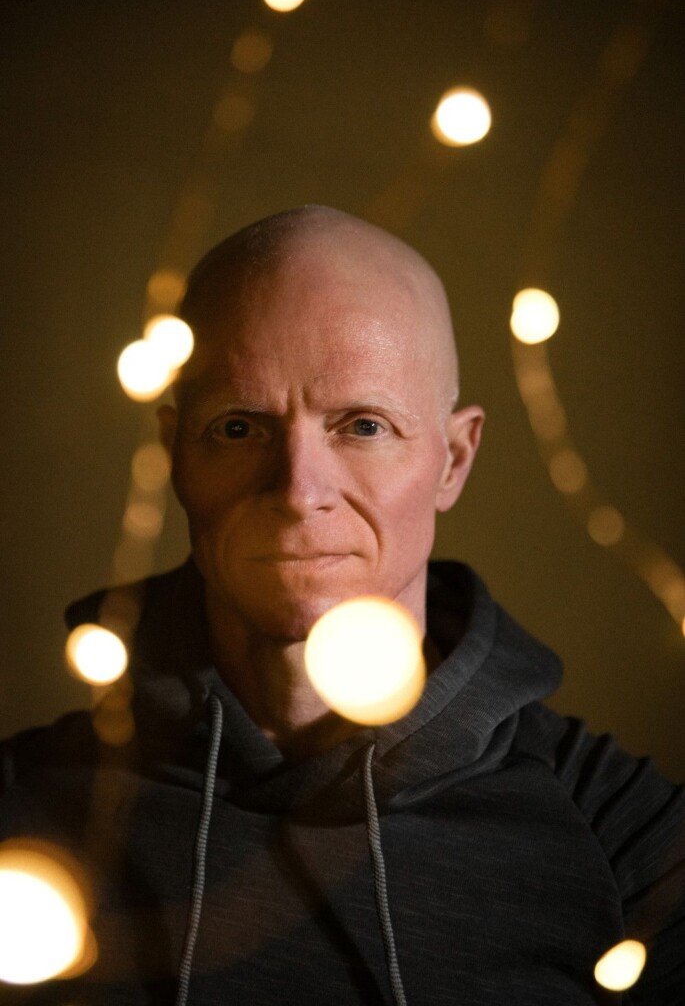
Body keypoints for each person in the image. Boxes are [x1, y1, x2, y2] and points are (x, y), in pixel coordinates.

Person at [1, 206, 683, 1005]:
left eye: (362, 426)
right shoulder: (25, 826)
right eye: (238, 428)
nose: (298, 490)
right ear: (174, 452)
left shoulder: (619, 833)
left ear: (453, 459)